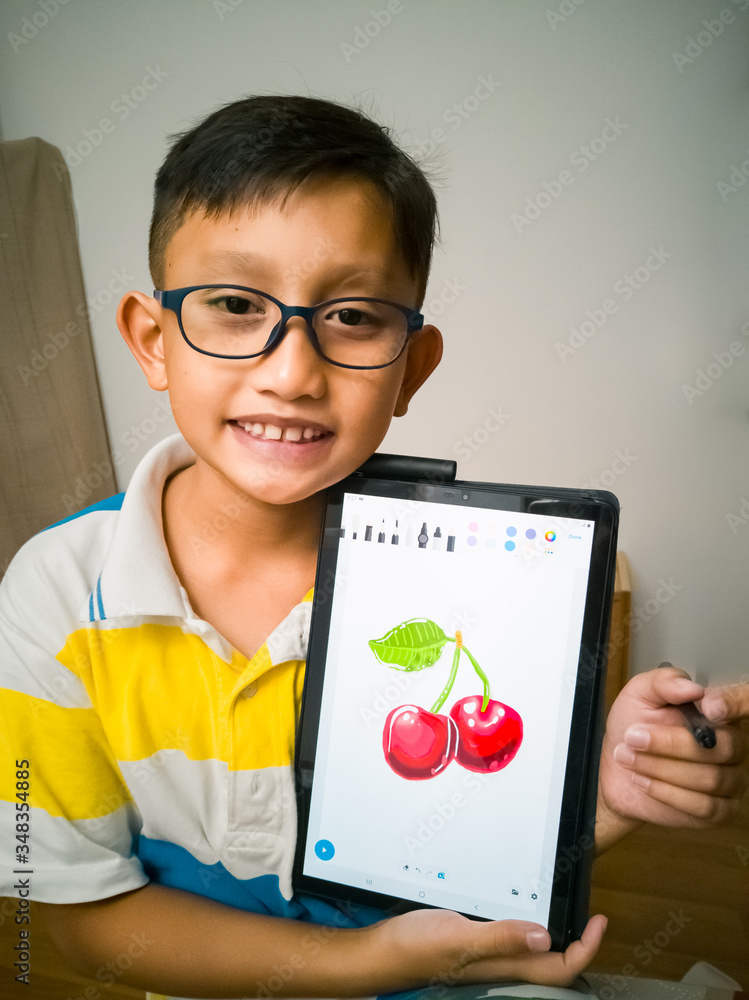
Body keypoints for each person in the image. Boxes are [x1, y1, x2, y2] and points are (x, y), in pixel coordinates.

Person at [0, 95, 746, 1000]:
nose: (290, 372)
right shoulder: (56, 594)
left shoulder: (471, 585)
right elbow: (82, 921)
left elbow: (484, 838)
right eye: (235, 305)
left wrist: (612, 789)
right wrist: (363, 967)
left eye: (352, 317)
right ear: (153, 343)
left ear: (411, 370)